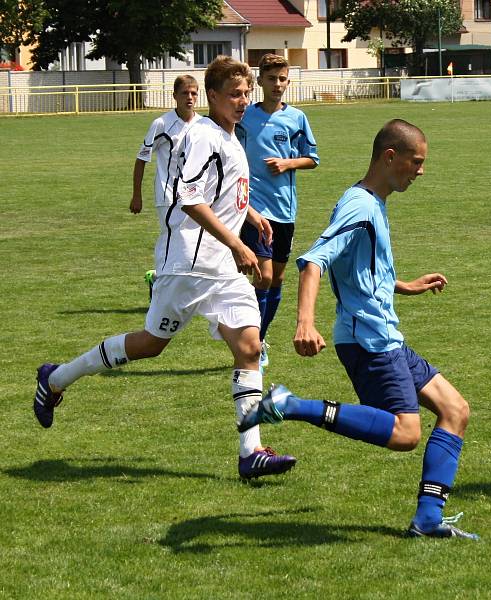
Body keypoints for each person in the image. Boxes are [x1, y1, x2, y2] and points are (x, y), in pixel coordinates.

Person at [34, 56, 296, 480]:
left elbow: (222, 192)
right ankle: (57, 378)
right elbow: (190, 198)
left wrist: (251, 216)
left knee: (250, 347)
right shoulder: (203, 137)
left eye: (246, 93)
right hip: (188, 263)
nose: (243, 100)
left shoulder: (231, 137)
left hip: (221, 270)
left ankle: (251, 452)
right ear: (212, 96)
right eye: (234, 94)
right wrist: (237, 245)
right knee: (151, 344)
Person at [238, 119, 478, 539]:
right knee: (405, 433)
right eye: (416, 161)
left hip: (386, 336)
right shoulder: (361, 206)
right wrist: (304, 323)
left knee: (455, 410)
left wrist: (402, 285)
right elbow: (314, 261)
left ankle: (427, 520)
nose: (420, 171)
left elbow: (359, 266)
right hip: (369, 342)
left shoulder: (371, 201)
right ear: (390, 157)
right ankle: (291, 404)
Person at [236, 53, 319, 372]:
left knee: (277, 279)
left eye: (282, 79)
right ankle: (252, 342)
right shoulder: (246, 116)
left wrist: (288, 163)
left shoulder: (297, 118)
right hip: (254, 208)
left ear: (288, 81)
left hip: (285, 208)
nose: (278, 85)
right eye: (271, 79)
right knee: (265, 275)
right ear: (260, 82)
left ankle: (260, 337)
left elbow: (312, 158)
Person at [130, 74, 202, 299]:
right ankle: (159, 283)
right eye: (184, 93)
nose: (189, 98)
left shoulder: (203, 125)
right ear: (174, 96)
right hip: (168, 195)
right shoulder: (161, 124)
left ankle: (171, 287)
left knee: (191, 244)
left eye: (193, 93)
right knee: (172, 241)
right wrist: (137, 195)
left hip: (194, 197)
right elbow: (142, 159)